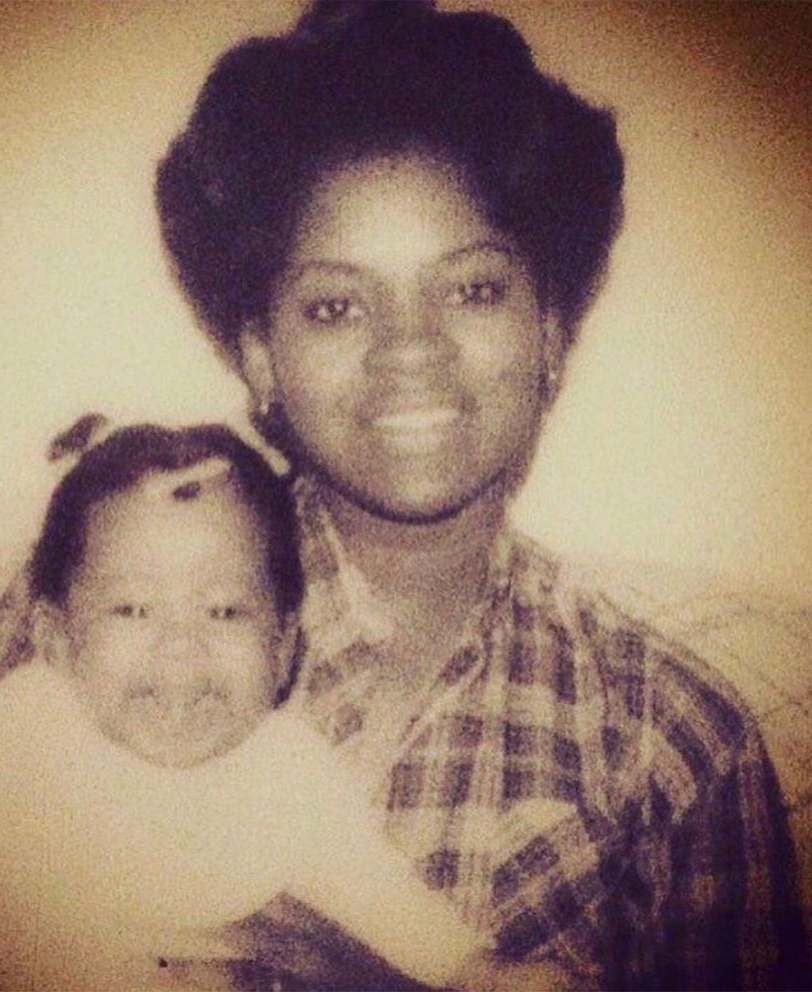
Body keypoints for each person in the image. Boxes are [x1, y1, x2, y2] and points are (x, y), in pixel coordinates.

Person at [144, 1, 810, 989]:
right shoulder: (117, 580)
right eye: (335, 305)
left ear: (549, 329)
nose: (407, 349)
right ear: (260, 358)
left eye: (470, 290)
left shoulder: (673, 742)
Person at [0, 419, 509, 991]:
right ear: (56, 640)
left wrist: (476, 971)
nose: (180, 648)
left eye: (224, 610)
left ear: (282, 650)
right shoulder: (15, 732)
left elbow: (386, 900)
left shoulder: (288, 772)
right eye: (132, 608)